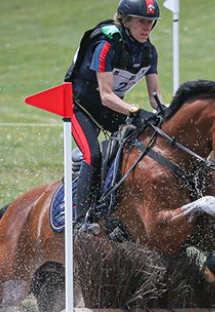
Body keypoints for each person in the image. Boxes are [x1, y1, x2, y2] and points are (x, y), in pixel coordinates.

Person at [65, 0, 165, 234]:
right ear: (125, 20)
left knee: (142, 143)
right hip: (80, 104)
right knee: (94, 155)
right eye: (141, 21)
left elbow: (155, 96)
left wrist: (165, 112)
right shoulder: (106, 45)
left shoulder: (149, 51)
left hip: (112, 107)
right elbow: (106, 95)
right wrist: (135, 111)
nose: (147, 27)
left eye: (151, 23)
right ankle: (81, 220)